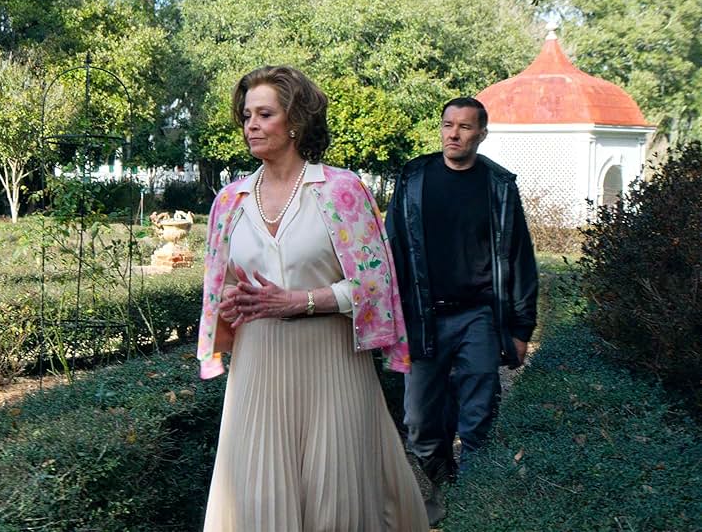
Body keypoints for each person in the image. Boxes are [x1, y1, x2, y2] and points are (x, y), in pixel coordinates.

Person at [197, 65, 429, 532]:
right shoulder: (230, 201)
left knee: (337, 500)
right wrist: (230, 301)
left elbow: (377, 285)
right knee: (258, 499)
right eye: (247, 115)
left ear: (296, 122)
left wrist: (301, 301)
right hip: (258, 366)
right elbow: (221, 285)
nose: (251, 125)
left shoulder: (343, 191)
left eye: (265, 114)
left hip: (332, 364)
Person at [385, 97, 538, 525]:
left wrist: (521, 328)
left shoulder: (499, 185)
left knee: (478, 418)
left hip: (479, 317)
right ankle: (444, 486)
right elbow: (392, 248)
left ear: (481, 134)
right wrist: (389, 317)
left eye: (465, 127)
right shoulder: (414, 177)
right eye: (448, 124)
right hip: (423, 316)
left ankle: (470, 507)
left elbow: (519, 256)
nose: (453, 134)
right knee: (419, 424)